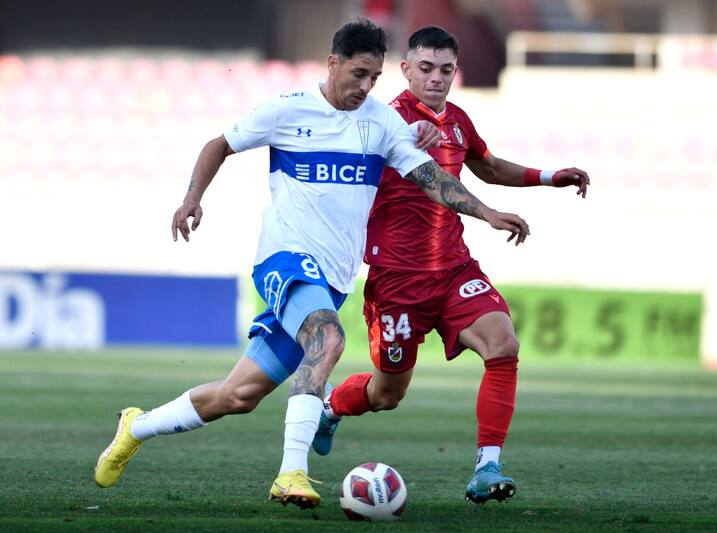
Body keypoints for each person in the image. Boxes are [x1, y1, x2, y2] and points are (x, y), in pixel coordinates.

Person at [93, 19, 530, 510]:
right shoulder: (287, 109)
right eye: (358, 74)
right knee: (329, 339)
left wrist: (486, 212)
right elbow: (218, 144)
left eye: (374, 78)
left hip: (333, 277)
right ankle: (291, 473)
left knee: (238, 396)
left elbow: (430, 177)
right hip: (284, 259)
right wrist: (192, 198)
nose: (365, 88)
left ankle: (137, 425)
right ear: (333, 63)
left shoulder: (381, 123)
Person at [311, 26, 590, 504]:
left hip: (455, 269)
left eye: (445, 70)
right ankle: (331, 407)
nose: (436, 78)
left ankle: (488, 466)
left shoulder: (457, 120)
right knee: (387, 394)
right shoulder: (380, 120)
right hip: (397, 280)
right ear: (405, 70)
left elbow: (488, 165)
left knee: (503, 345)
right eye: (426, 68)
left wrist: (547, 176)